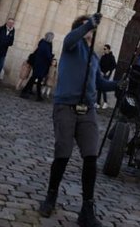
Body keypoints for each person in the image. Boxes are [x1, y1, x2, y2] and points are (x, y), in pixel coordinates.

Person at [35, 12, 117, 227]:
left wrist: (119, 85)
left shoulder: (94, 56)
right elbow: (71, 38)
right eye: (84, 26)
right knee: (63, 152)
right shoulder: (71, 46)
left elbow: (99, 82)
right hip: (66, 105)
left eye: (91, 26)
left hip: (87, 109)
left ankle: (87, 209)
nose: (89, 29)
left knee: (91, 155)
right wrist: (87, 23)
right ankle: (51, 196)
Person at [21, 32, 55, 101]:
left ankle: (36, 95)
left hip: (39, 64)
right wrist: (51, 56)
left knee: (36, 80)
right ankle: (27, 93)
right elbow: (47, 55)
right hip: (41, 65)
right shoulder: (46, 45)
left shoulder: (43, 43)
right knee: (35, 79)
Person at [97, 43, 116, 109]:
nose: (104, 50)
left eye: (105, 49)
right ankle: (98, 103)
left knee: (104, 87)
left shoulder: (111, 57)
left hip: (107, 74)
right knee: (99, 87)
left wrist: (109, 71)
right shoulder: (103, 56)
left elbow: (114, 65)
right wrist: (100, 71)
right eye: (103, 49)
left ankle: (105, 102)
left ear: (108, 49)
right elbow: (99, 64)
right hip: (101, 73)